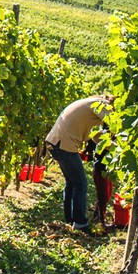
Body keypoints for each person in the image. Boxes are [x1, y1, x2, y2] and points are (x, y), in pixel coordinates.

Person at [46, 94, 114, 231]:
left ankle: (70, 220)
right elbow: (114, 123)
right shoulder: (102, 104)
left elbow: (97, 139)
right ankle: (80, 223)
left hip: (55, 142)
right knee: (81, 183)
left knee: (72, 182)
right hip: (64, 144)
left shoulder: (91, 108)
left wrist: (115, 148)